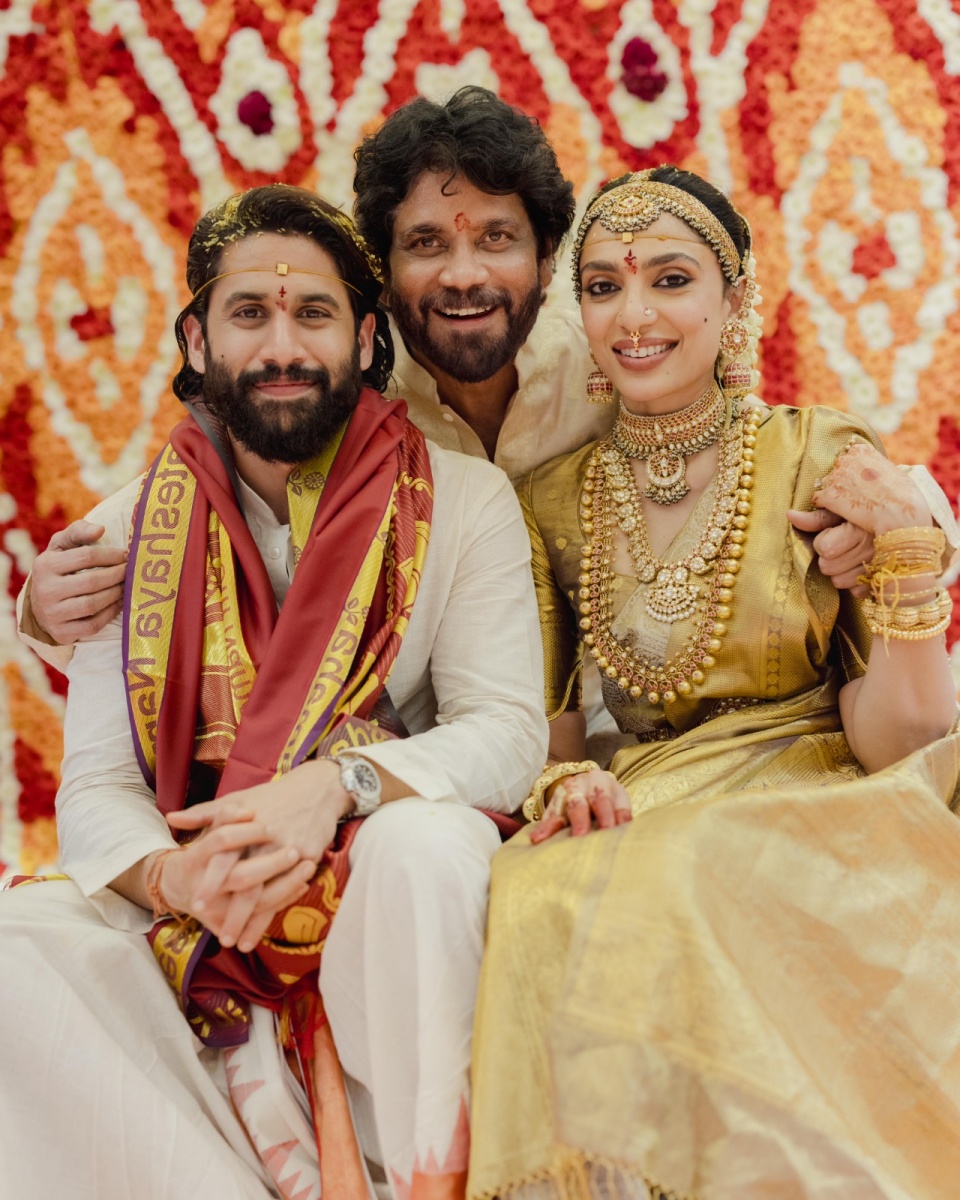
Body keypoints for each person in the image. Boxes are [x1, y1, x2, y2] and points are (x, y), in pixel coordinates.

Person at [0, 184, 548, 1200]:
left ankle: (435, 1183)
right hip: (208, 906)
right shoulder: (125, 538)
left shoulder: (465, 501)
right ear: (199, 342)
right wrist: (177, 883)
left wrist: (338, 786)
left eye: (314, 314)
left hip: (375, 876)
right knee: (19, 945)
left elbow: (508, 730)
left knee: (425, 845)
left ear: (366, 336)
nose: (282, 346)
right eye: (249, 314)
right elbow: (97, 786)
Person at [466, 168, 960, 1200]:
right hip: (650, 788)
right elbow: (551, 745)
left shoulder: (821, 455)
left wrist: (911, 555)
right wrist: (560, 789)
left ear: (735, 304)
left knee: (682, 870)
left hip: (822, 781)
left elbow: (906, 744)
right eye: (601, 287)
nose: (633, 316)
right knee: (533, 883)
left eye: (671, 279)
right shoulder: (547, 501)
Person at [19, 87, 610, 649]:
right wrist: (44, 609)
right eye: (426, 244)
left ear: (547, 254)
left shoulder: (609, 364)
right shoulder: (334, 394)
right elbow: (196, 494)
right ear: (381, 273)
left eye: (497, 238)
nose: (462, 275)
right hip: (429, 737)